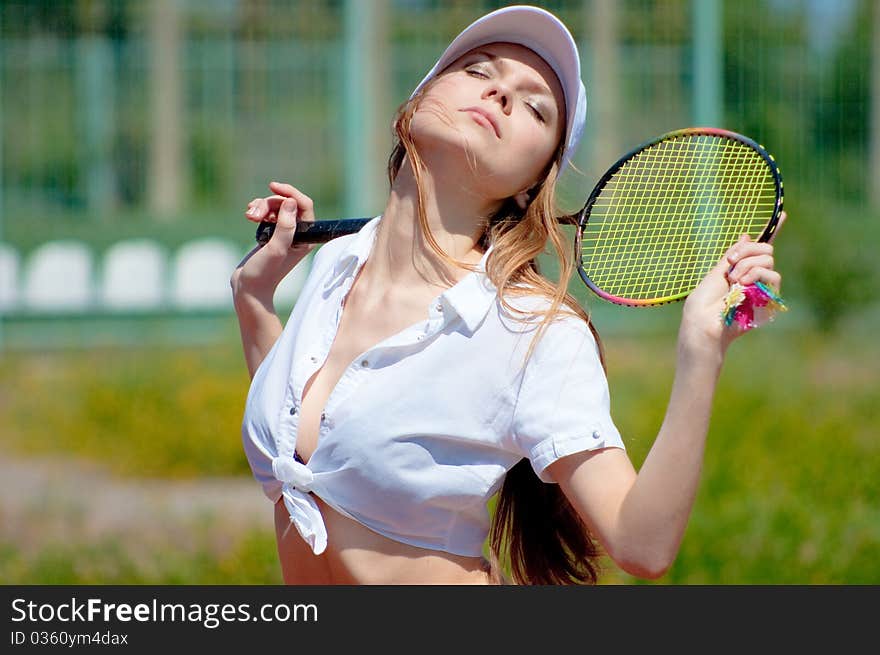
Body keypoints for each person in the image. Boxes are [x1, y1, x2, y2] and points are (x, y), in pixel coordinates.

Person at [231, 5, 785, 585]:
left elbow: (642, 545)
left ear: (534, 180)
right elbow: (301, 429)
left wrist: (701, 351)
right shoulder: (338, 263)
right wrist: (255, 296)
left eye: (534, 107)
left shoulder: (531, 330)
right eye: (477, 70)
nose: (499, 92)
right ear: (415, 104)